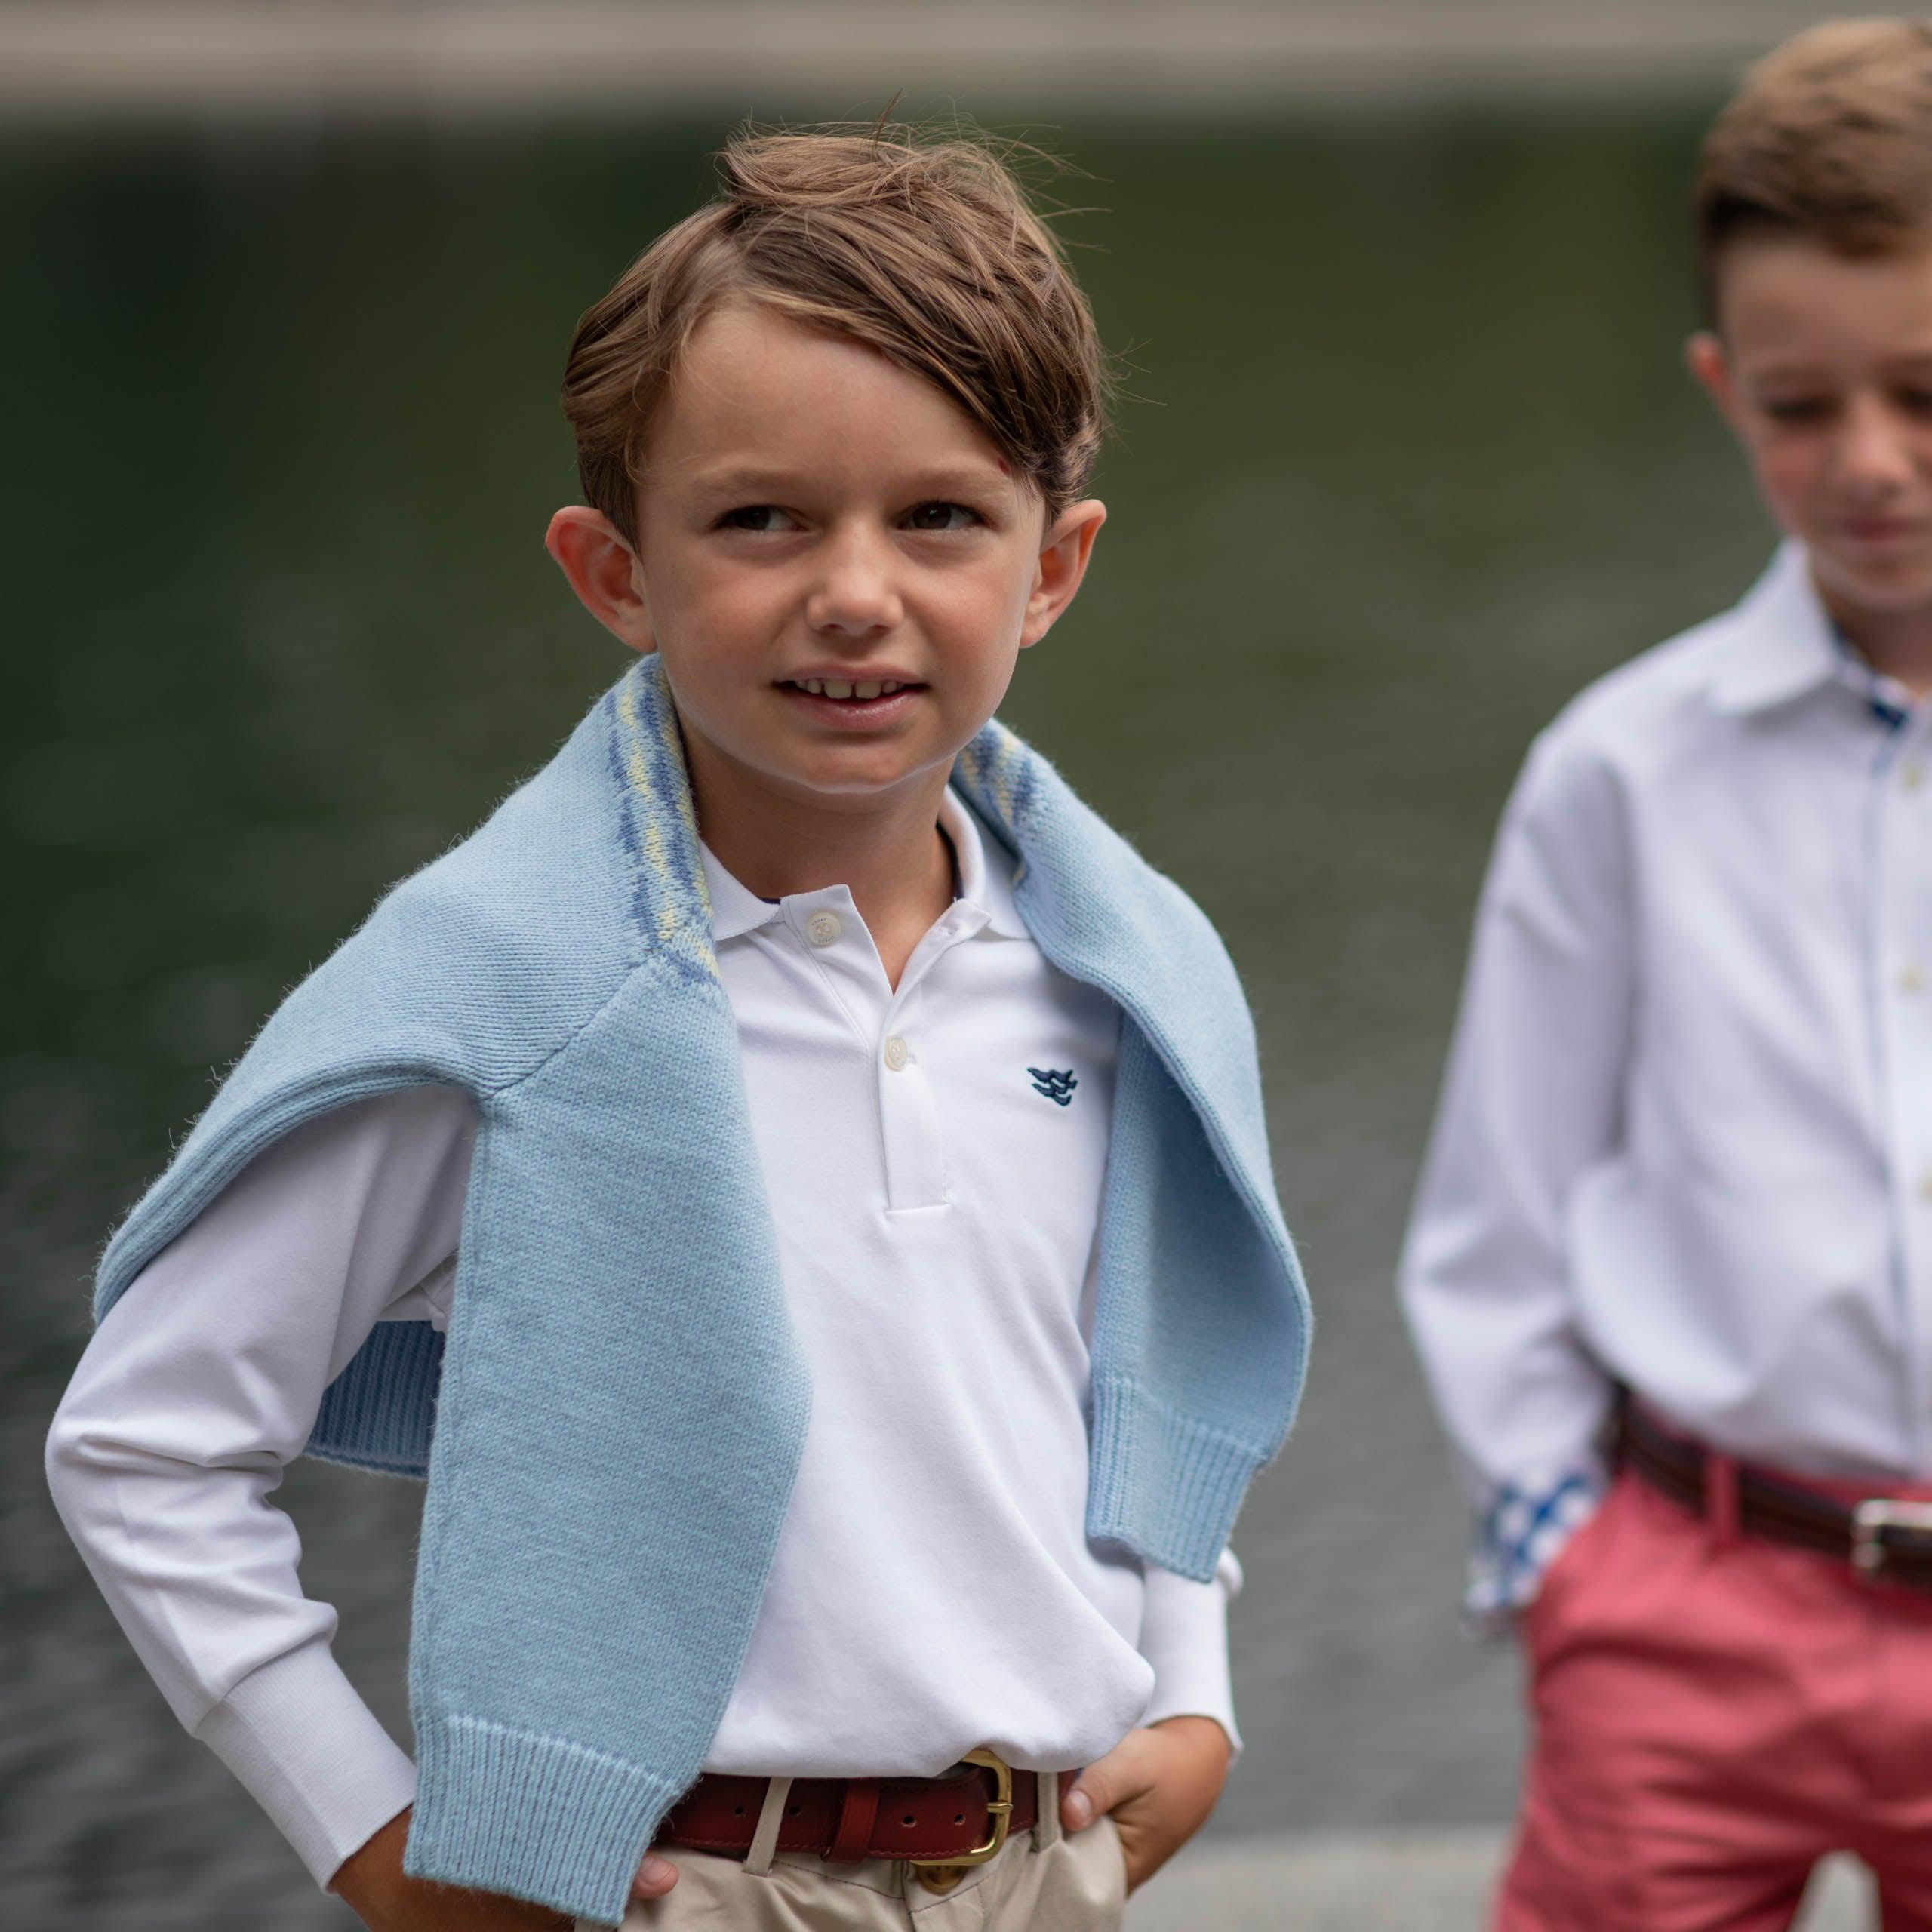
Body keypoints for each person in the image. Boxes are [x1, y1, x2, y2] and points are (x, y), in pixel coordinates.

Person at [44, 128, 1309, 1932]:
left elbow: (1136, 1369)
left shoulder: (1122, 976)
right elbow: (145, 1440)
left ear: (1052, 565)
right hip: (679, 1886)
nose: (855, 590)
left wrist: (1191, 1677)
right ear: (614, 570)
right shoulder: (502, 995)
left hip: (1045, 1868)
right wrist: (379, 1841)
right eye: (759, 518)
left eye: (938, 515)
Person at [1398, 19, 1932, 1930]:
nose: (1863, 461)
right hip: (1691, 1607)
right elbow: (1496, 1213)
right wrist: (1561, 1550)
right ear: (1721, 386)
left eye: (1921, 390)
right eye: (1799, 404)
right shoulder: (1619, 769)